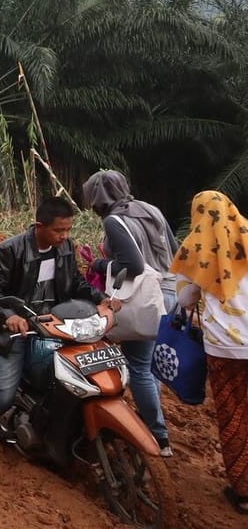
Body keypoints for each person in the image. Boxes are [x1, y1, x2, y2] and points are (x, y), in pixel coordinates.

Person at [0, 197, 116, 452]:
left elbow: (75, 282)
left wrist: (100, 299)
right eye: (58, 230)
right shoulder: (10, 250)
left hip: (55, 324)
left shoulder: (65, 248)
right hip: (16, 332)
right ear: (39, 226)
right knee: (3, 393)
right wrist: (9, 316)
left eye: (67, 230)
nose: (64, 236)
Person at [83, 169, 176, 457]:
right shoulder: (150, 209)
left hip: (145, 300)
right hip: (168, 294)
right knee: (149, 366)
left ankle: (156, 437)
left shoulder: (114, 221)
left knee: (138, 367)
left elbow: (133, 266)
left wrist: (100, 265)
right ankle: (155, 425)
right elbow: (173, 249)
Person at [171, 191, 248, 513]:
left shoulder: (199, 248)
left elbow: (185, 301)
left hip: (224, 349)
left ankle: (244, 492)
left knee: (234, 416)